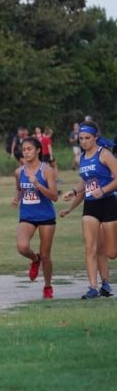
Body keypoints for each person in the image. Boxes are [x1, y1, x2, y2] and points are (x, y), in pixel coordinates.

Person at [60, 120, 117, 299]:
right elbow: (87, 182)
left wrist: (104, 190)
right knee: (90, 248)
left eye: (87, 138)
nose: (83, 142)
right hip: (91, 205)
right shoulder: (82, 157)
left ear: (95, 138)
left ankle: (105, 283)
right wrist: (73, 194)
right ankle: (94, 287)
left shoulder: (105, 154)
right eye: (81, 138)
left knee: (111, 253)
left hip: (109, 203)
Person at [13, 137, 57, 299]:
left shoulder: (47, 171)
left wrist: (38, 185)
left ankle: (47, 286)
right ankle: (34, 258)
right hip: (27, 216)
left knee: (46, 255)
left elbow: (54, 197)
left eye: (29, 149)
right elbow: (19, 189)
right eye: (24, 149)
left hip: (46, 216)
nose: (26, 152)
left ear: (38, 150)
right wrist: (17, 198)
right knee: (22, 247)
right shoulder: (19, 172)